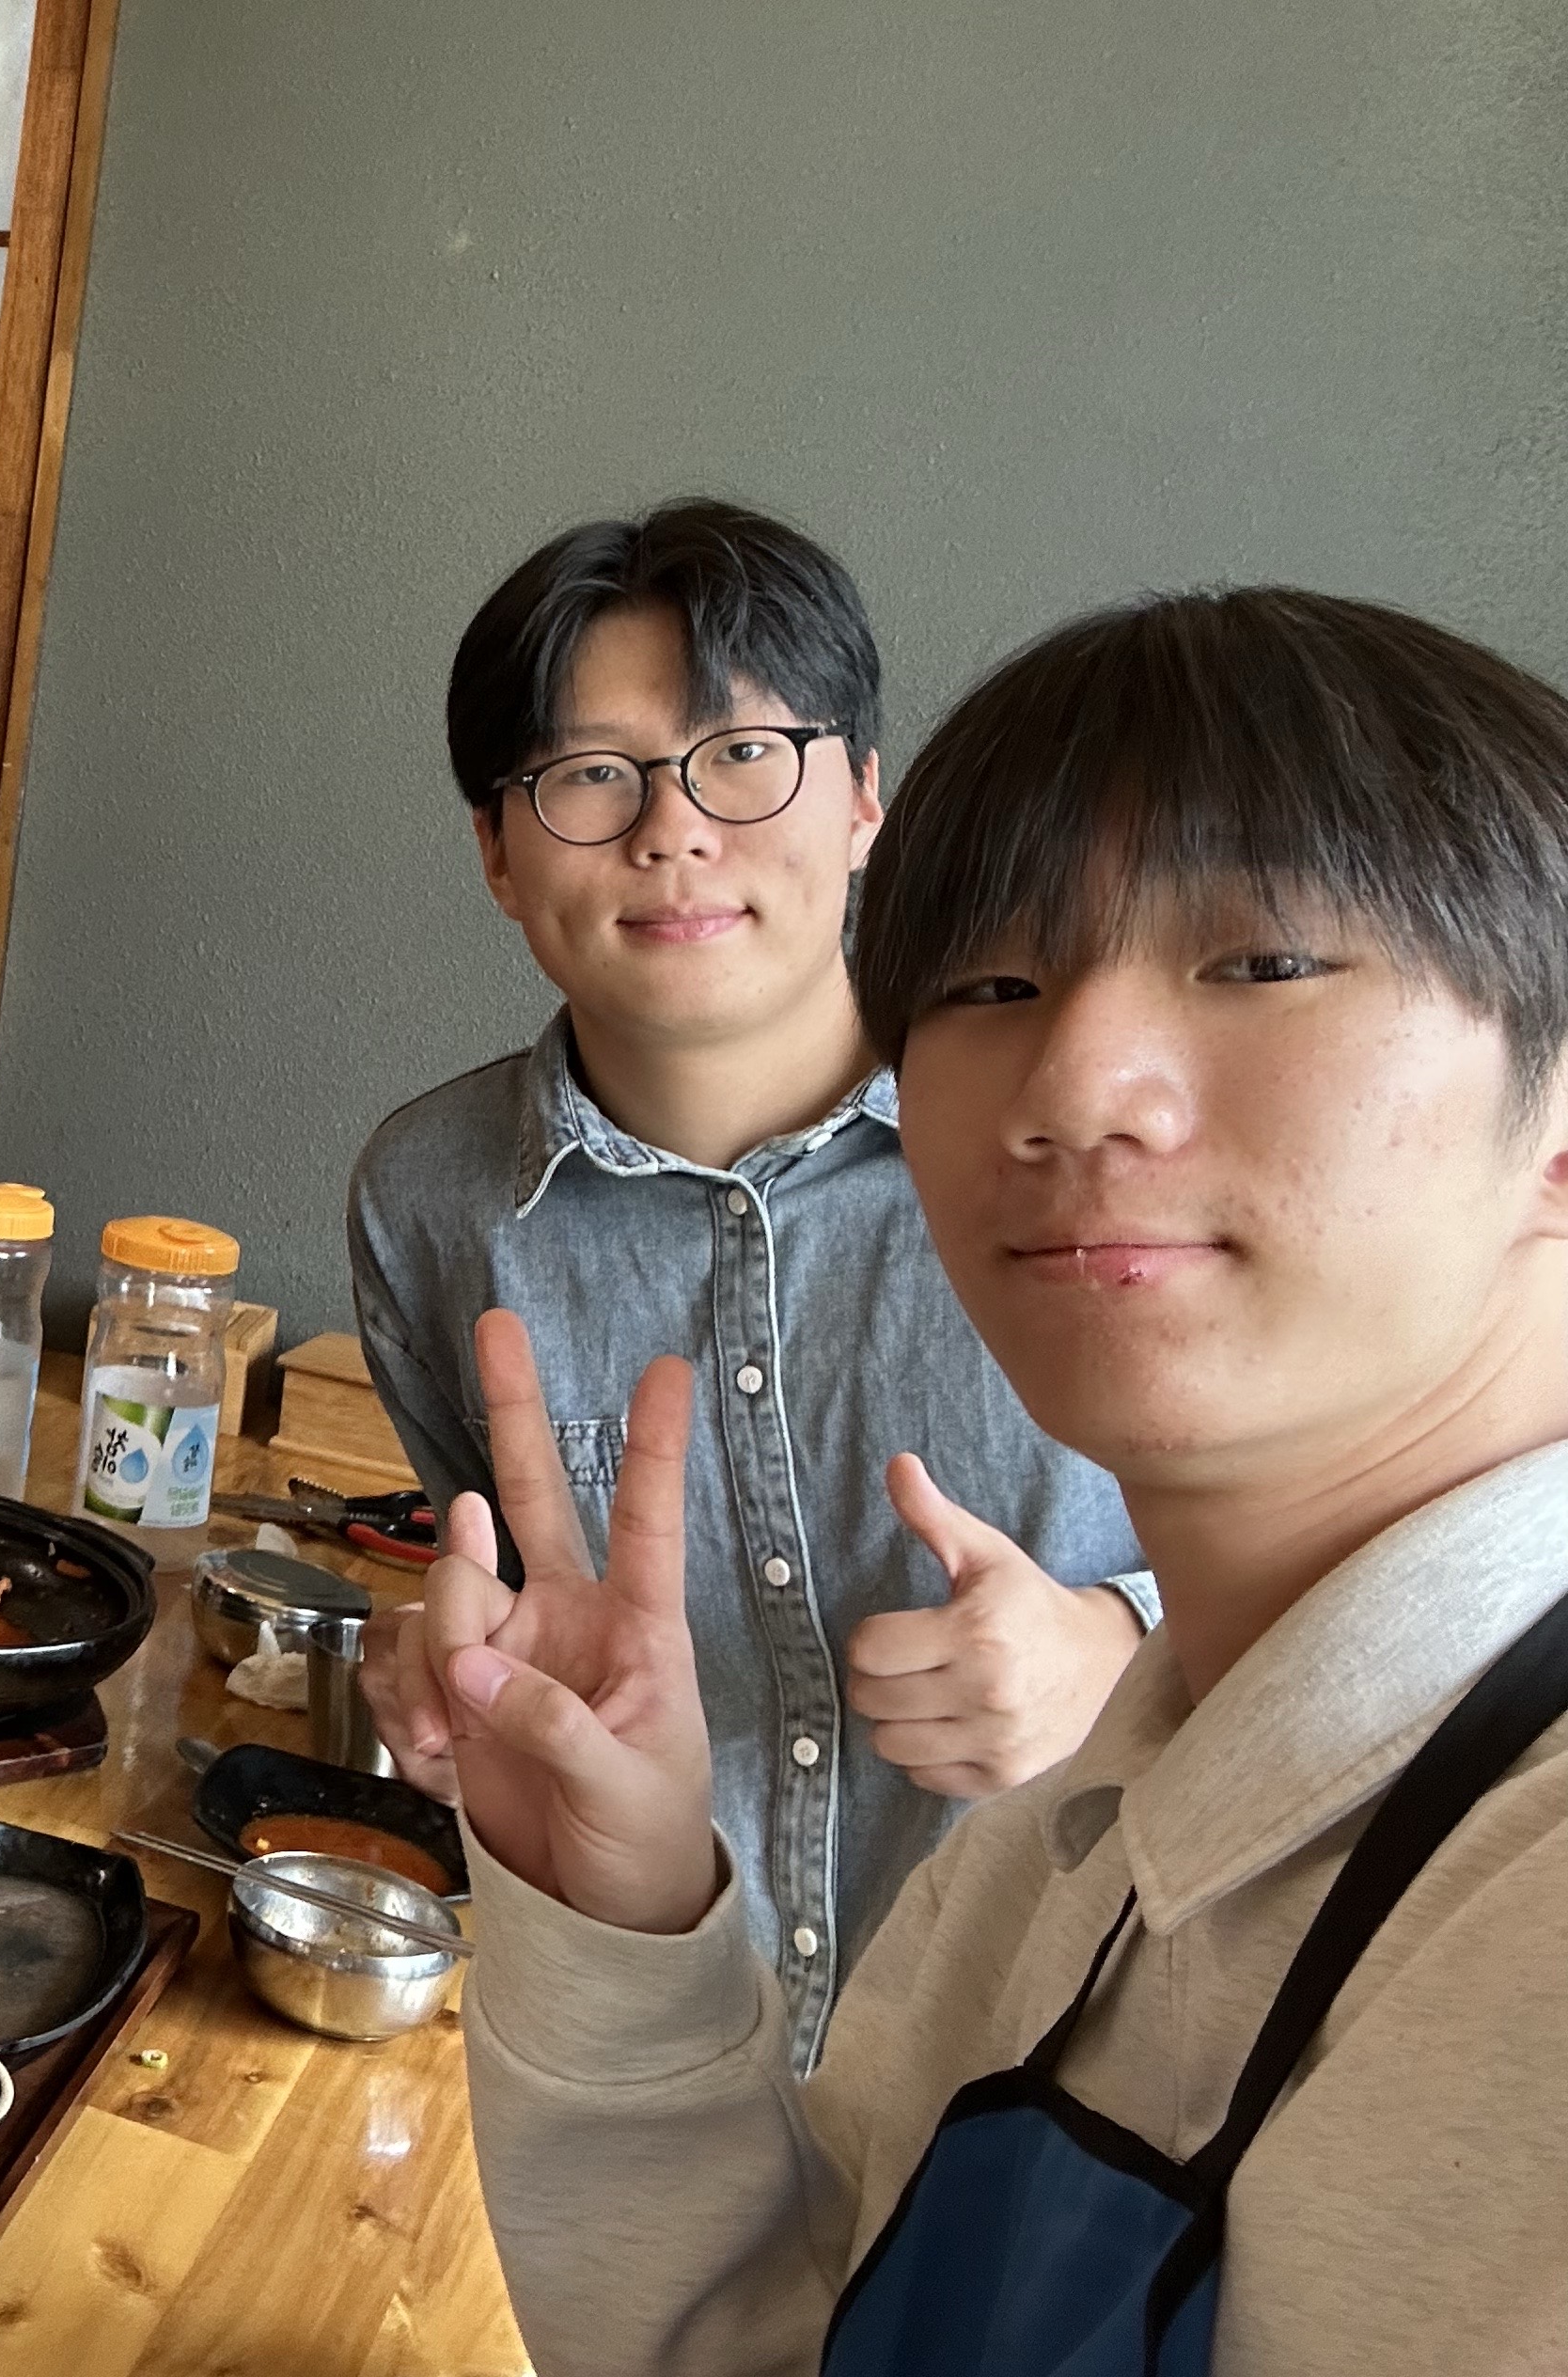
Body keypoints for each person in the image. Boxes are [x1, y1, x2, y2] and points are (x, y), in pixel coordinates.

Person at [433, 589, 1568, 2374]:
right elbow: (802, 2336)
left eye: (1264, 960)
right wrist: (625, 1904)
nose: (1072, 1085)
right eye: (991, 984)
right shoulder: (1065, 1852)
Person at [348, 502, 1150, 2065]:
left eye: (741, 752)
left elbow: (1381, 1578)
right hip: (665, 2050)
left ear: (862, 799)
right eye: (590, 775)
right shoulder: (429, 1197)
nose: (672, 830)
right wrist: (452, 1666)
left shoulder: (1077, 1132)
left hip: (1052, 2070)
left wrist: (1120, 1653)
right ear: (497, 851)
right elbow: (522, 1593)